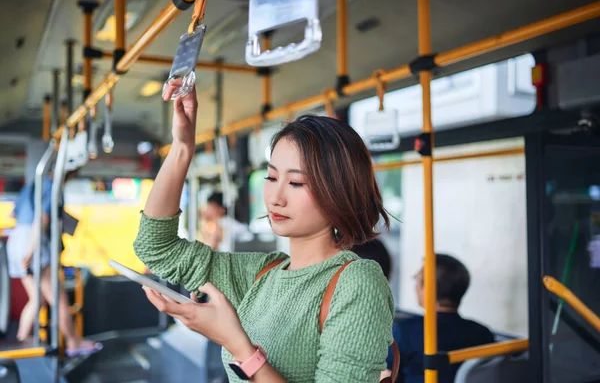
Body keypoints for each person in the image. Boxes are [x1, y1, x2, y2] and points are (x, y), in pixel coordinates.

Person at [133, 80, 395, 382]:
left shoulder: (358, 283)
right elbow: (156, 249)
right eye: (271, 177)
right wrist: (182, 149)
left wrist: (239, 347)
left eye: (296, 183)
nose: (275, 196)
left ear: (338, 190)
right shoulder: (262, 274)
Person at [6, 170, 101, 356]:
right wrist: (33, 249)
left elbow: (13, 214)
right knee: (58, 299)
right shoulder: (50, 185)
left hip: (16, 239)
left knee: (37, 299)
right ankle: (74, 343)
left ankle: (21, 338)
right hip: (31, 241)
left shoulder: (31, 185)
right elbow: (42, 218)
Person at [384, 254, 495, 383]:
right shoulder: (483, 334)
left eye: (418, 279)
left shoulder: (404, 331)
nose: (416, 286)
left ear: (428, 289)